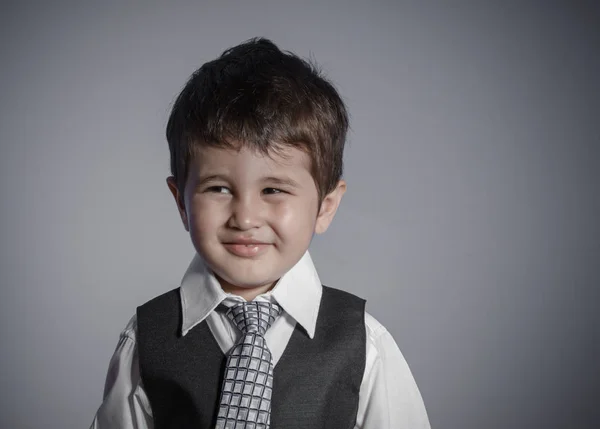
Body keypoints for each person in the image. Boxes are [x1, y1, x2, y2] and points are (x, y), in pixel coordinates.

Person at [90, 37, 430, 429]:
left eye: (273, 190)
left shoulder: (364, 345)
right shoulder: (146, 340)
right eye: (218, 188)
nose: (245, 217)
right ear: (181, 202)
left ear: (326, 206)